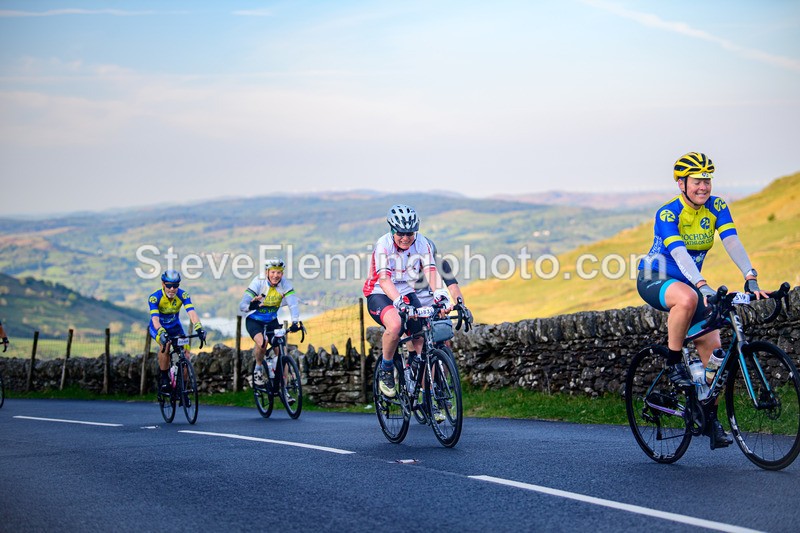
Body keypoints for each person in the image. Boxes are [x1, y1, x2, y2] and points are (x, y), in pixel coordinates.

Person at [637, 152, 767, 449]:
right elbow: (679, 253)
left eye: (707, 181)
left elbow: (731, 240)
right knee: (686, 298)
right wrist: (701, 285)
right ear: (682, 184)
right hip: (655, 276)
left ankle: (709, 418)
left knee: (715, 354)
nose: (703, 187)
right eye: (697, 181)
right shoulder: (668, 213)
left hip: (689, 281)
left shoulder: (716, 206)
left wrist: (750, 275)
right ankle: (673, 362)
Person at [363, 204, 451, 400]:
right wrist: (399, 303)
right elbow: (384, 280)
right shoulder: (383, 245)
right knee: (395, 325)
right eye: (400, 233)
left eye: (409, 233)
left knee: (421, 340)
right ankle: (386, 369)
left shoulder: (422, 243)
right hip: (379, 292)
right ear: (392, 230)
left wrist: (441, 295)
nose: (405, 238)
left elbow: (431, 270)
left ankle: (429, 396)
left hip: (406, 291)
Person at [239, 258, 302, 387]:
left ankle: (284, 389)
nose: (276, 275)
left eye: (279, 272)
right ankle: (258, 369)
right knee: (263, 342)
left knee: (282, 352)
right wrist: (251, 305)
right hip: (254, 320)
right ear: (267, 272)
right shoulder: (258, 282)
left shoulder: (285, 284)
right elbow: (242, 305)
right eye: (273, 272)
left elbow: (293, 304)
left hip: (272, 321)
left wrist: (295, 322)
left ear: (282, 274)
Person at [148, 270, 206, 393]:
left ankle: (182, 390)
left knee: (186, 355)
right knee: (165, 345)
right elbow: (155, 319)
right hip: (158, 327)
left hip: (175, 327)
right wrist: (161, 331)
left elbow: (192, 313)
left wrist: (199, 328)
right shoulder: (155, 298)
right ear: (163, 284)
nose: (172, 289)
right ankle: (164, 378)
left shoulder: (183, 295)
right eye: (169, 285)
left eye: (175, 285)